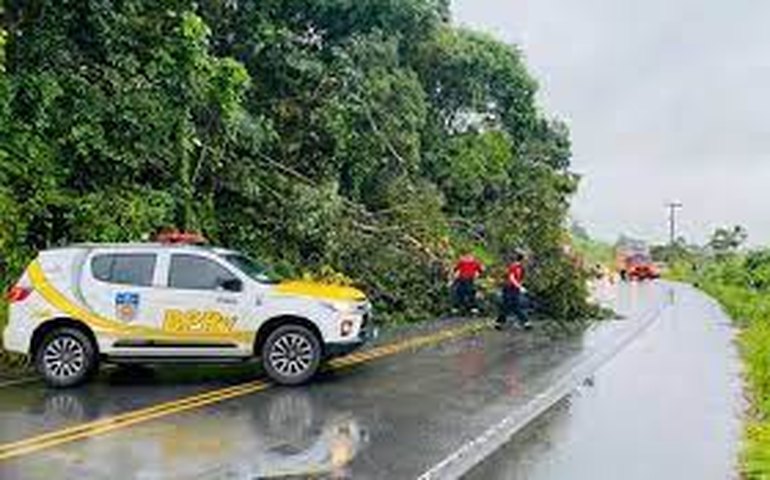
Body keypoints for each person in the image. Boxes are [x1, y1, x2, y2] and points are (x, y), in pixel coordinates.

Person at [495, 251, 532, 330]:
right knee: (508, 305)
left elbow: (520, 279)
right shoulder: (513, 267)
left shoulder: (521, 268)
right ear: (521, 260)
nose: (526, 261)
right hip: (508, 288)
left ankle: (525, 322)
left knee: (513, 305)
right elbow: (511, 278)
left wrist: (520, 286)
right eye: (525, 259)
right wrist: (519, 287)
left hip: (514, 289)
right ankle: (525, 322)